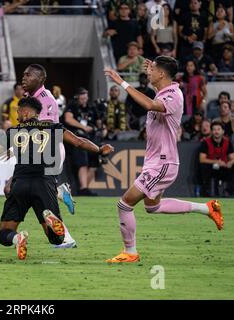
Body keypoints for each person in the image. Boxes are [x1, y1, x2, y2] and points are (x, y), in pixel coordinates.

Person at [104, 56, 224, 263]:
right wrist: (156, 65)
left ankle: (130, 252)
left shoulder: (173, 95)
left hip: (163, 163)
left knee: (124, 204)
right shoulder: (165, 90)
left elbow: (150, 104)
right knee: (152, 206)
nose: (148, 72)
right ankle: (207, 208)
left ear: (161, 74)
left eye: (152, 70)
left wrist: (122, 82)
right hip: (157, 162)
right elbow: (158, 83)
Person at [0, 97, 114, 260]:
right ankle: (51, 220)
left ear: (26, 112)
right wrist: (99, 149)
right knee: (56, 239)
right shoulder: (53, 127)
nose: (17, 114)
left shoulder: (14, 131)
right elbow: (78, 142)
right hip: (45, 185)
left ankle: (17, 238)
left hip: (20, 184)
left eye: (18, 111)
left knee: (3, 234)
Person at [19, 64, 78, 247]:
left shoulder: (47, 99)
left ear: (40, 79)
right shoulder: (29, 98)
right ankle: (59, 192)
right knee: (29, 193)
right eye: (24, 75)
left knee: (38, 195)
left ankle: (65, 238)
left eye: (28, 75)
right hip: (37, 154)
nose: (24, 78)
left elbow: (44, 130)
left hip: (49, 152)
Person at [62, 89, 99, 197]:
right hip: (76, 139)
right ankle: (83, 188)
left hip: (91, 138)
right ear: (78, 97)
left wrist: (101, 128)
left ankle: (84, 188)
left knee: (94, 162)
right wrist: (83, 127)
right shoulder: (72, 106)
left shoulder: (91, 108)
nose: (84, 99)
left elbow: (98, 121)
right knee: (83, 162)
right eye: (82, 97)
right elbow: (68, 119)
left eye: (85, 97)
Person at [198, 120, 234, 197]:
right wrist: (216, 162)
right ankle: (209, 192)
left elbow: (232, 158)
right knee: (204, 167)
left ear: (223, 131)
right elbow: (202, 159)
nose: (216, 132)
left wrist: (230, 163)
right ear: (211, 131)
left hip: (224, 167)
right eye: (214, 129)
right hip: (211, 167)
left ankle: (228, 192)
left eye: (218, 129)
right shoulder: (206, 142)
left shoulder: (227, 142)